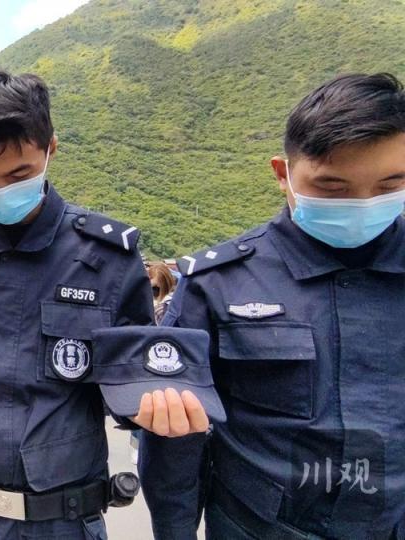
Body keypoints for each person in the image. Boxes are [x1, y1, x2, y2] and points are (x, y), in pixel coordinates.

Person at [0, 71, 210, 540]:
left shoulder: (107, 258)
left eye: (18, 175)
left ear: (50, 149)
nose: (0, 190)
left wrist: (156, 408)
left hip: (62, 522)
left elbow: (132, 384)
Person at [140, 72, 405, 539]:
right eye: (333, 188)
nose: (362, 204)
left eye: (389, 187)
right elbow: (175, 439)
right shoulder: (217, 283)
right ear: (283, 174)